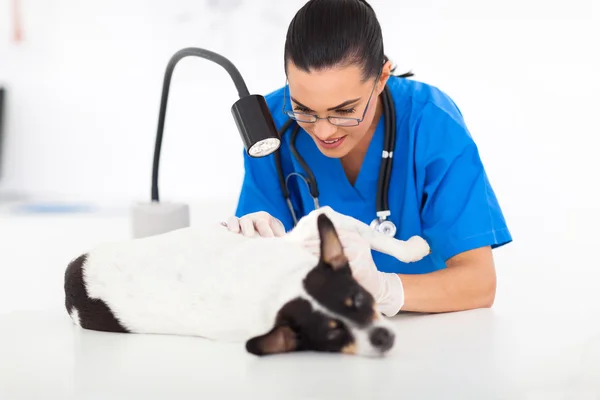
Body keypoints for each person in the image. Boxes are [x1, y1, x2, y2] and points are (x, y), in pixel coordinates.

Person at [225, 0, 512, 316]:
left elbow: (479, 283)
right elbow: (256, 273)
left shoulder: (431, 121)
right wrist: (249, 248)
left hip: (433, 329)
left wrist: (385, 290)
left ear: (381, 78)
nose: (322, 130)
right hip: (321, 333)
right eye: (303, 109)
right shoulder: (269, 130)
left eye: (344, 110)